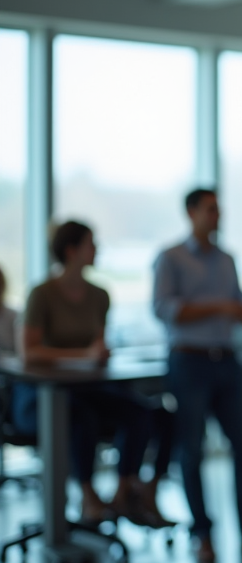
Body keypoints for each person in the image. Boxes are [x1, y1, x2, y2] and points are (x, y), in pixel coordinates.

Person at [152, 189, 242, 563]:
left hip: (226, 360)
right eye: (211, 209)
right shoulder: (171, 258)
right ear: (191, 212)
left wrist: (240, 310)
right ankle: (203, 535)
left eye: (219, 209)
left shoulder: (227, 259)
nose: (217, 215)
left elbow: (235, 302)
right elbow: (164, 309)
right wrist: (222, 307)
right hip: (189, 361)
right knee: (192, 450)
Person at [19, 221, 165, 526]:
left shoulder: (99, 295)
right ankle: (88, 496)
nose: (97, 249)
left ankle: (124, 492)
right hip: (41, 396)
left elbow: (98, 344)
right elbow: (29, 351)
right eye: (91, 243)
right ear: (72, 251)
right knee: (80, 417)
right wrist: (82, 355)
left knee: (140, 412)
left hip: (86, 387)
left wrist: (98, 354)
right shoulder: (42, 294)